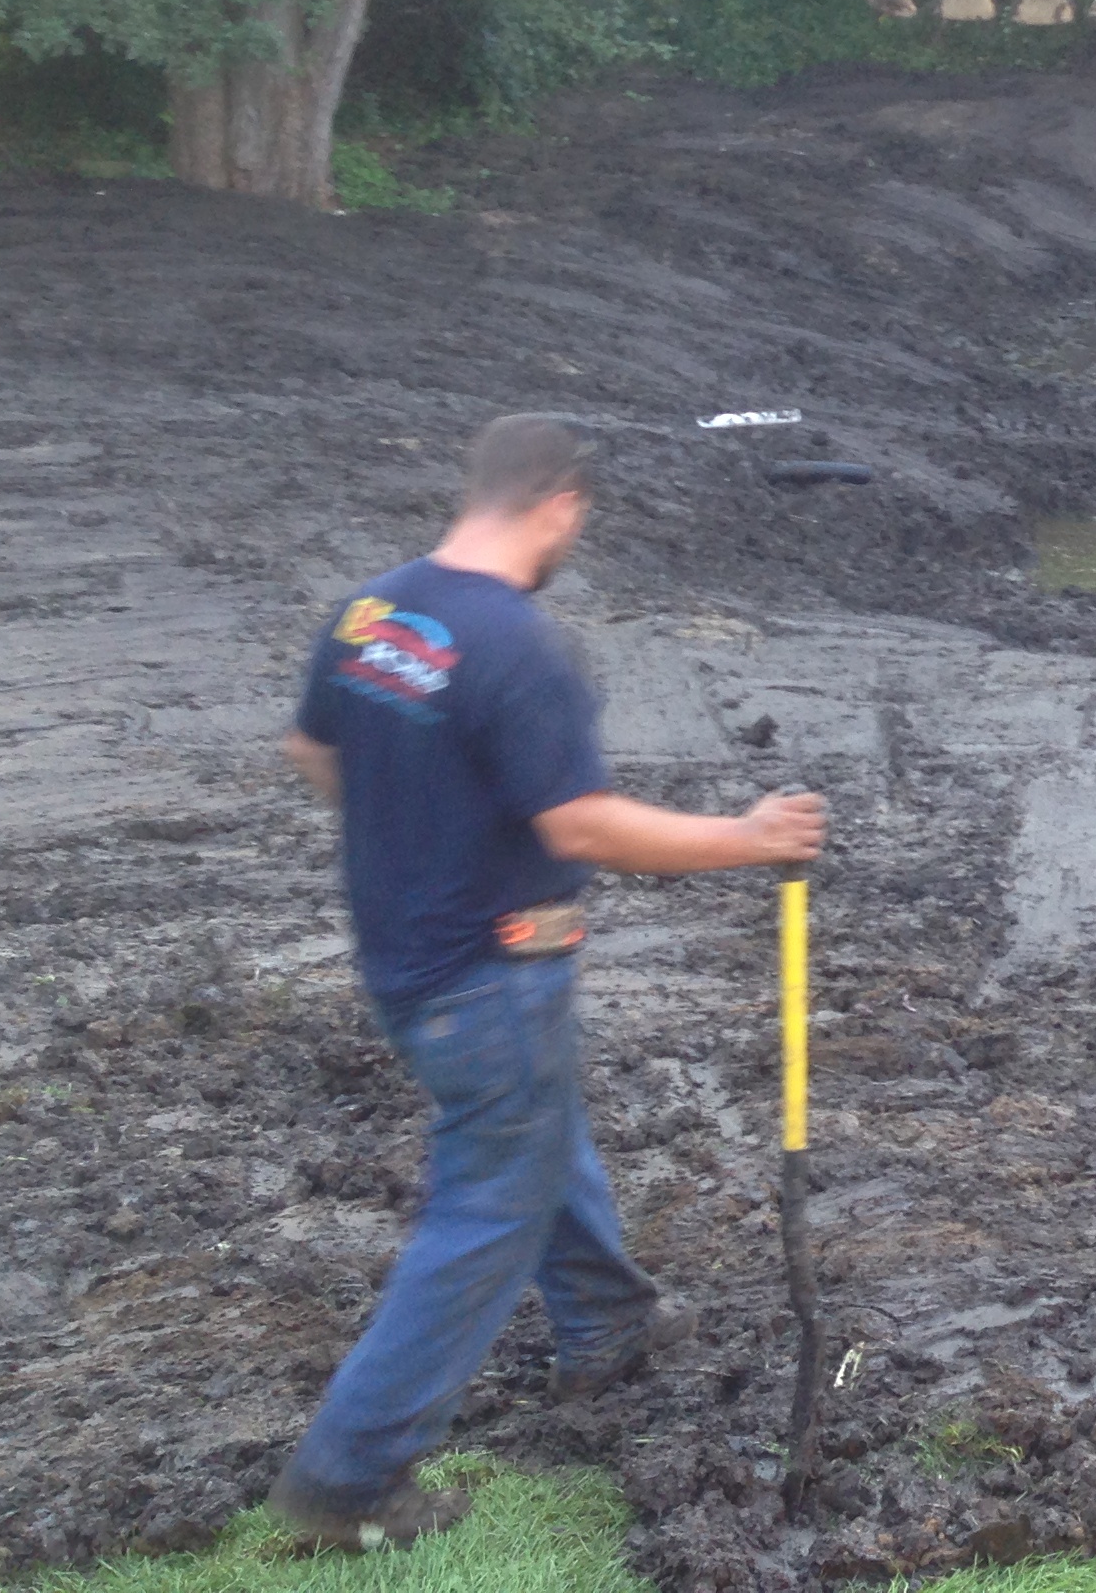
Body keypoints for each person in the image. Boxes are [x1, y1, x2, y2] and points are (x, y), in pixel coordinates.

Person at [267, 414, 828, 1553]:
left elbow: (316, 752)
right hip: (488, 975)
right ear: (560, 504)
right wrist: (751, 836)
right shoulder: (518, 647)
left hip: (405, 960)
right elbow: (581, 822)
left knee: (536, 1133)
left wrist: (421, 842)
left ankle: (609, 1325)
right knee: (488, 1203)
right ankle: (348, 1477)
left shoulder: (376, 612)